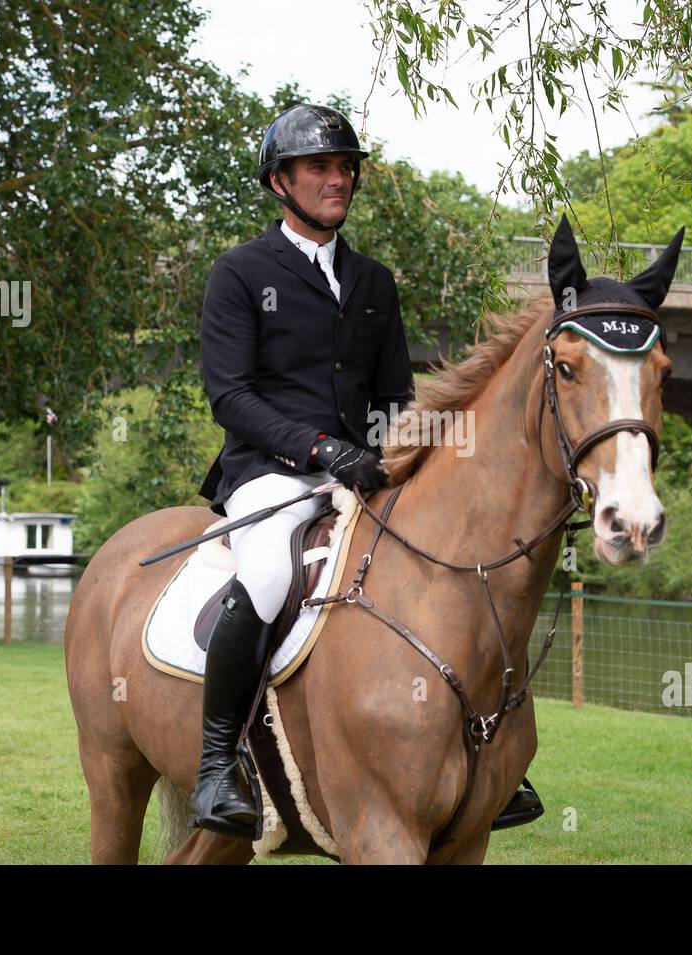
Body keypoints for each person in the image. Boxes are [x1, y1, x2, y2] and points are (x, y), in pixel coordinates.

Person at [190, 103, 543, 840]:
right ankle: (219, 760)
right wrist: (318, 451)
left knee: (449, 564)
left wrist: (392, 453)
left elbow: (392, 397)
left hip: (365, 469)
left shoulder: (374, 282)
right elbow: (231, 395)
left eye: (345, 167)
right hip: (270, 471)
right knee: (266, 577)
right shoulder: (240, 272)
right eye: (320, 167)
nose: (337, 179)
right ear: (280, 180)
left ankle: (482, 757)